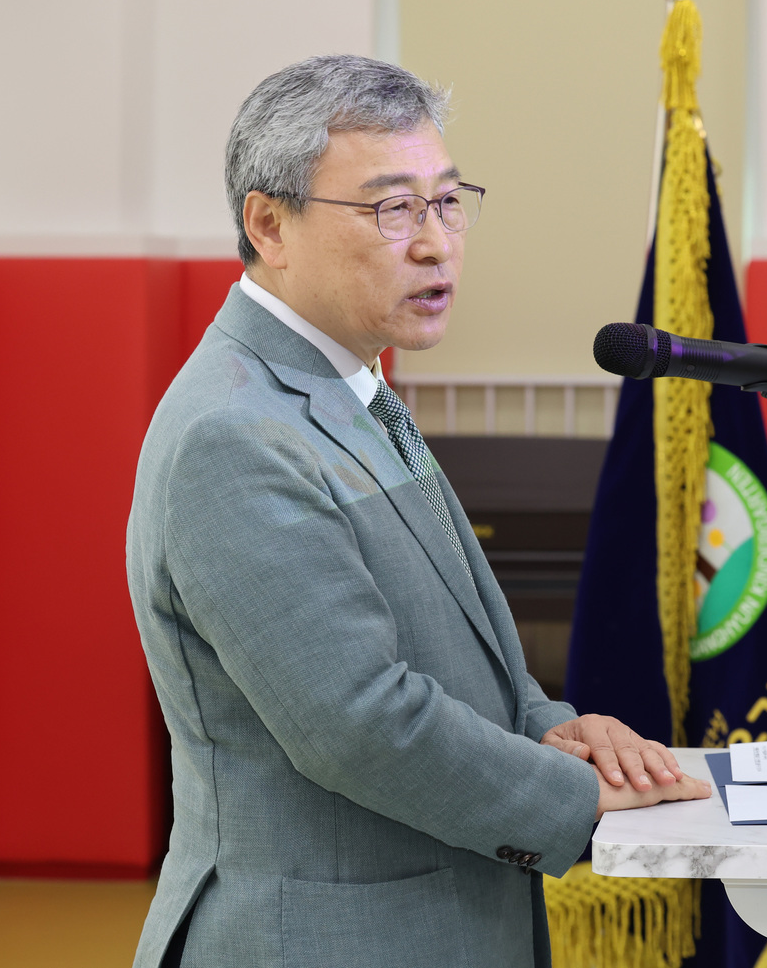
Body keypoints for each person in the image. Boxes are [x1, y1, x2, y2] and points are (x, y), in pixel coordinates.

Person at [126, 54, 710, 968]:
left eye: (447, 201)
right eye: (391, 208)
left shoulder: (349, 381)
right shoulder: (235, 433)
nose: (436, 242)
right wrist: (576, 797)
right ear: (268, 224)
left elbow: (448, 642)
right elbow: (358, 721)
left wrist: (548, 725)